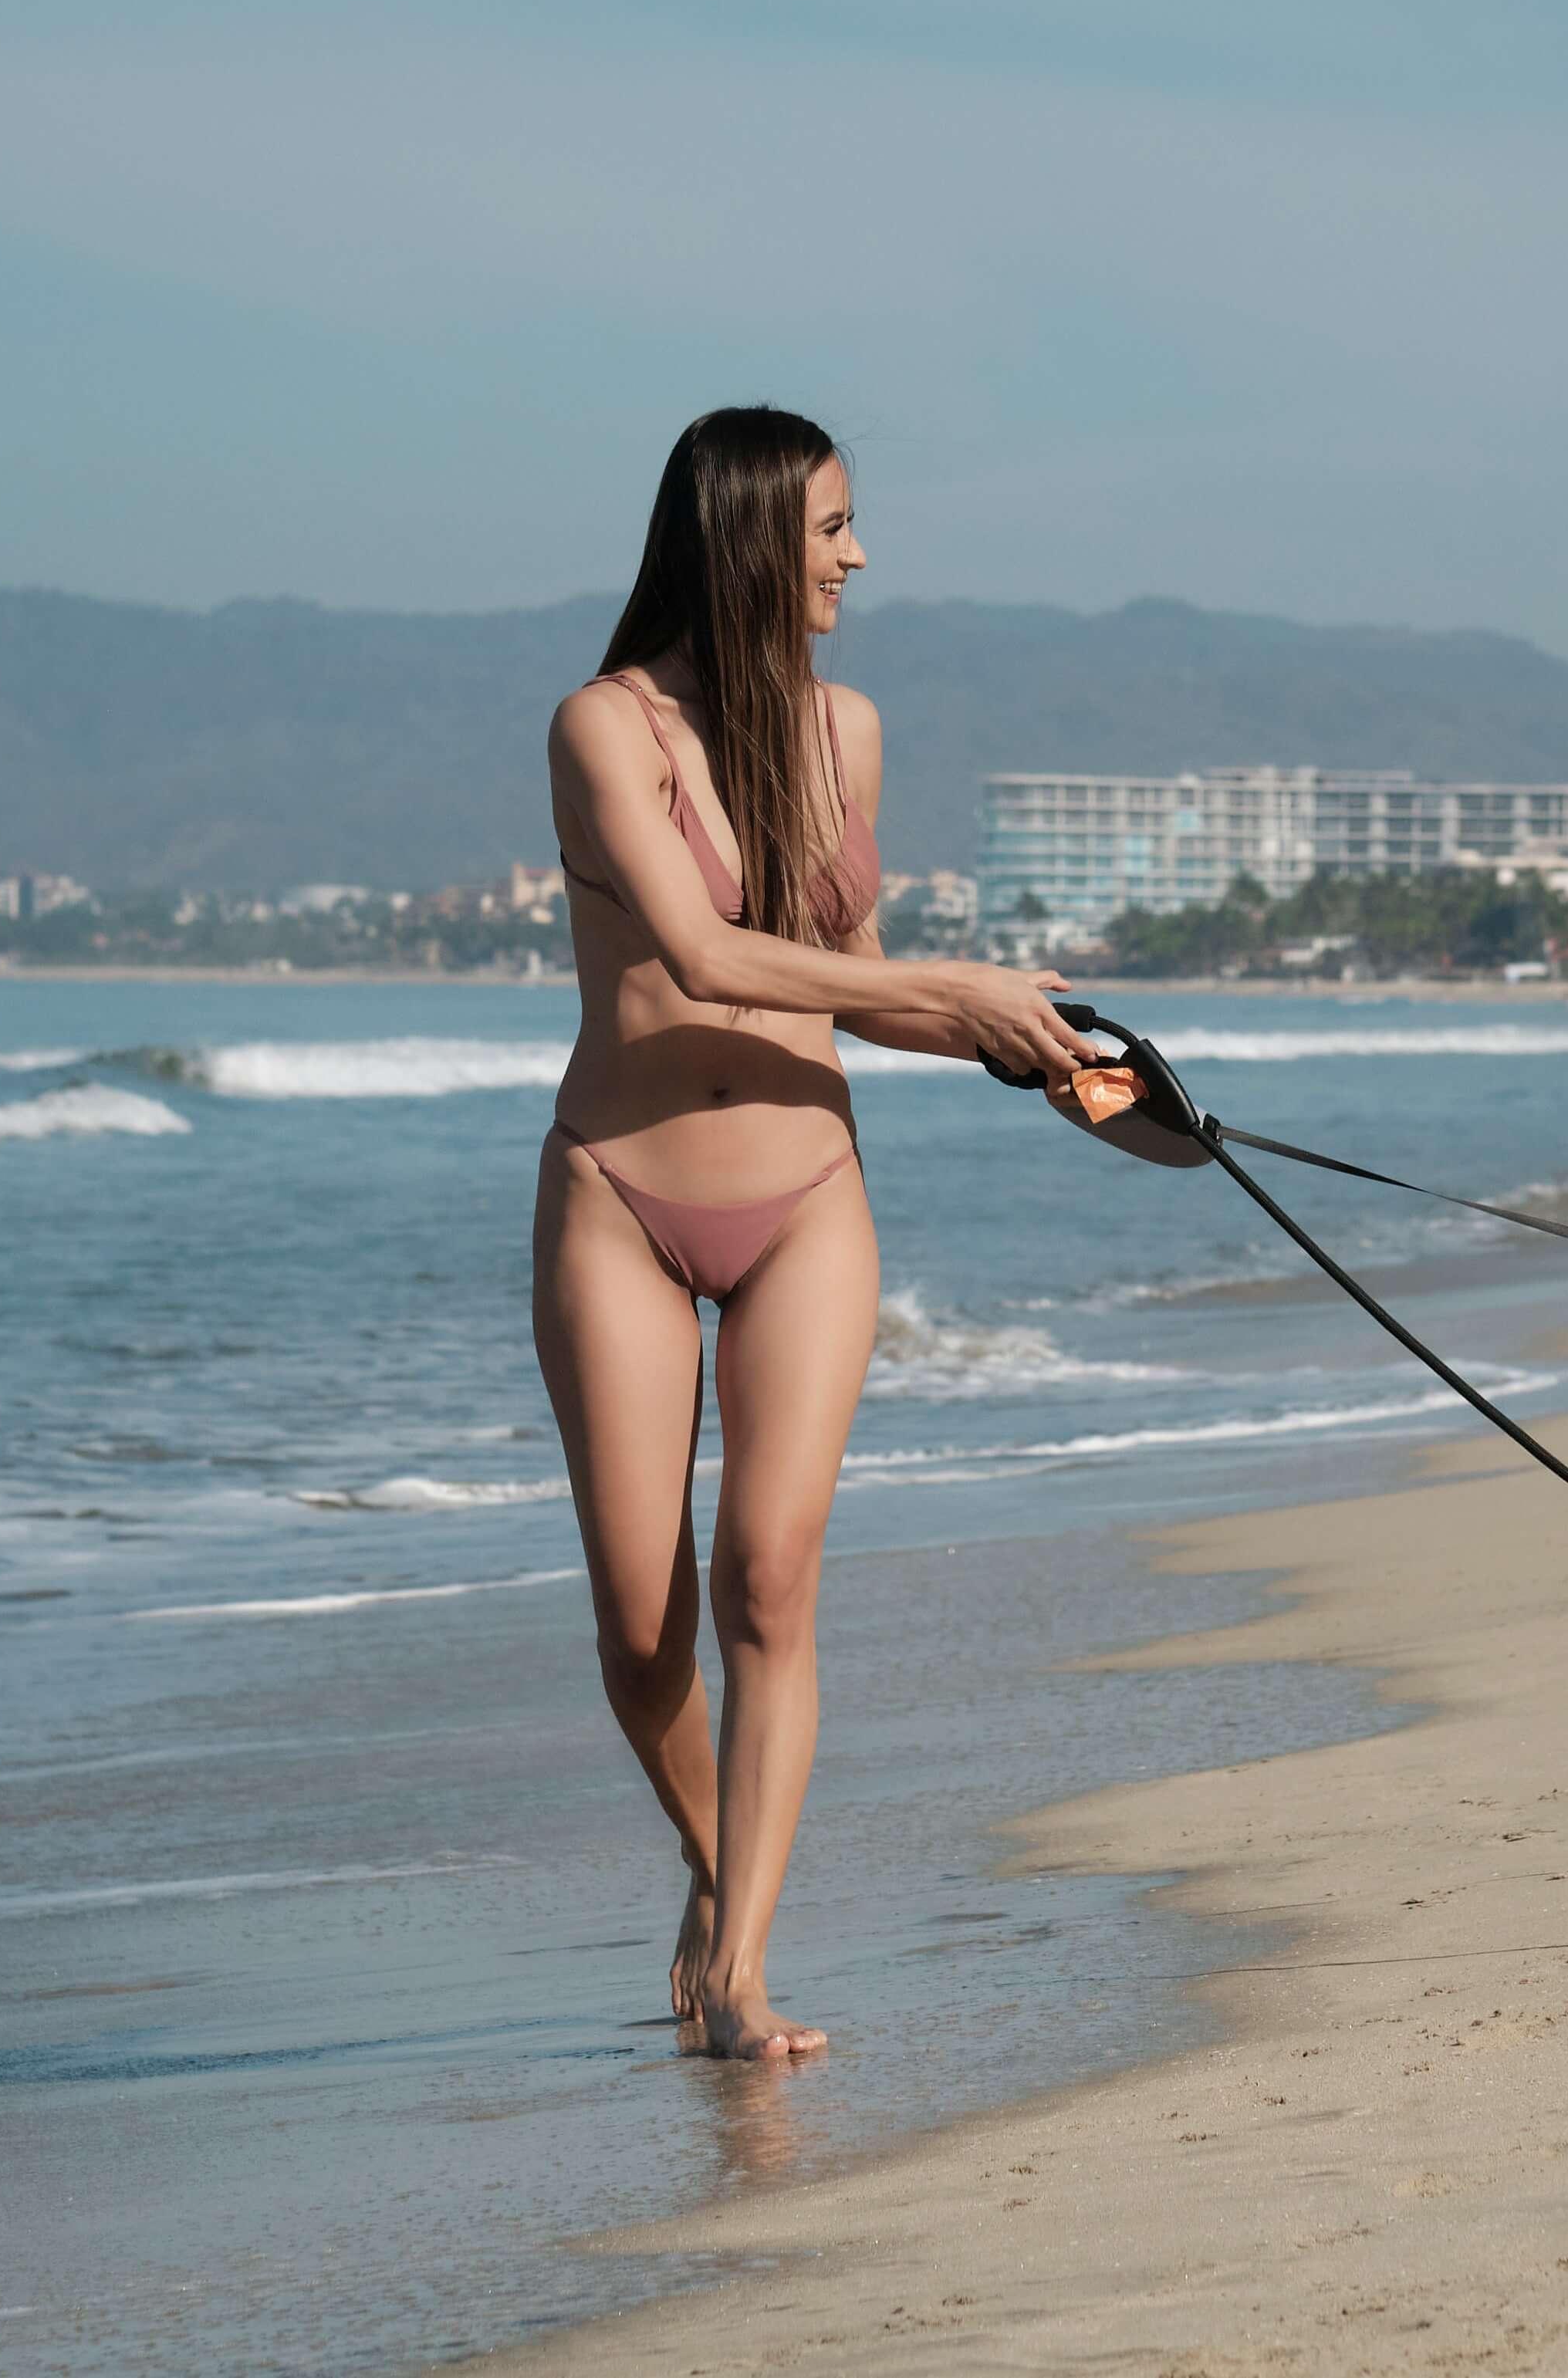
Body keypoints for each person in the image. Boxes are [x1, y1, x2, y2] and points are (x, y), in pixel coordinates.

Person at [533, 407, 1100, 2062]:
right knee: (644, 1628)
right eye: (833, 526)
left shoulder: (845, 730)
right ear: (747, 537)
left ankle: (742, 1971)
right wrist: (949, 981)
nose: (858, 556)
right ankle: (716, 1863)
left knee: (768, 1575)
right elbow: (706, 954)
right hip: (620, 1194)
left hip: (806, 1199)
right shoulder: (604, 727)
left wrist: (1025, 1043)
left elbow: (848, 983)